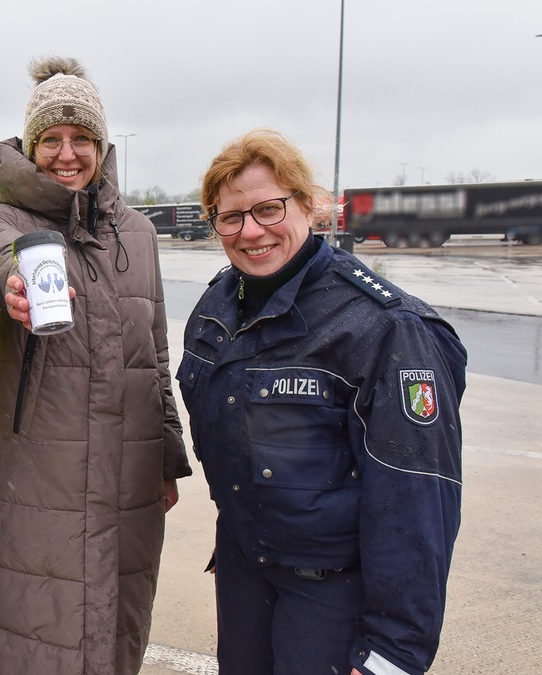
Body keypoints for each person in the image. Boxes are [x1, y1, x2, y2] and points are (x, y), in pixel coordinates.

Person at [177, 129, 466, 675]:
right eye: (230, 216)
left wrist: (392, 652)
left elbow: (416, 497)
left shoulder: (382, 328)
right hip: (247, 575)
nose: (251, 231)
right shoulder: (218, 304)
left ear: (309, 205)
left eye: (268, 209)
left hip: (332, 599)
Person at [0, 57, 192, 675]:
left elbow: (156, 354)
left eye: (82, 140)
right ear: (30, 145)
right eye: (51, 140)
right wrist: (14, 284)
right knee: (36, 641)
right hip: (38, 482)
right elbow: (0, 257)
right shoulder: (2, 219)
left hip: (130, 480)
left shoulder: (139, 234)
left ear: (101, 145)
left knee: (119, 638)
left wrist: (168, 458)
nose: (66, 155)